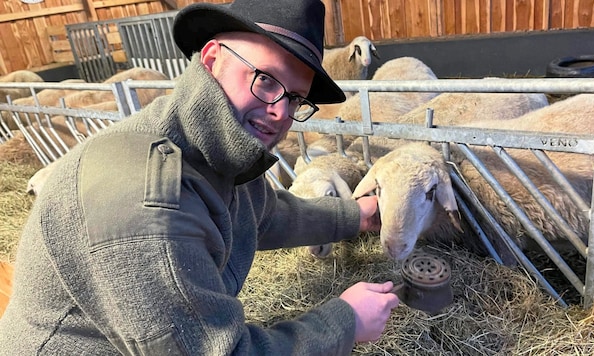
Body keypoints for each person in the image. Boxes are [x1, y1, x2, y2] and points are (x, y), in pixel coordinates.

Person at [0, 0, 400, 354]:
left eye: (295, 98)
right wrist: (344, 321)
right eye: (265, 80)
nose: (281, 112)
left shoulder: (209, 147)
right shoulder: (145, 203)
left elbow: (263, 215)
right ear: (212, 59)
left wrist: (355, 216)